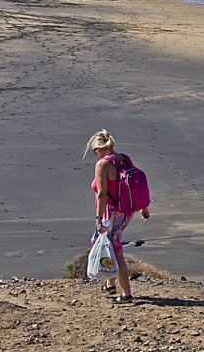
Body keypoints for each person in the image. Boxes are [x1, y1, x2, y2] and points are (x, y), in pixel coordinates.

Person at [85, 129, 150, 303]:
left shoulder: (103, 165)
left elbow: (102, 194)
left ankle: (126, 294)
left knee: (114, 248)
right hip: (127, 211)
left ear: (99, 148)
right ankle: (110, 283)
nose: (95, 155)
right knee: (110, 242)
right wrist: (143, 207)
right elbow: (133, 185)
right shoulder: (123, 158)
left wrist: (99, 219)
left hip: (112, 212)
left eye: (95, 151)